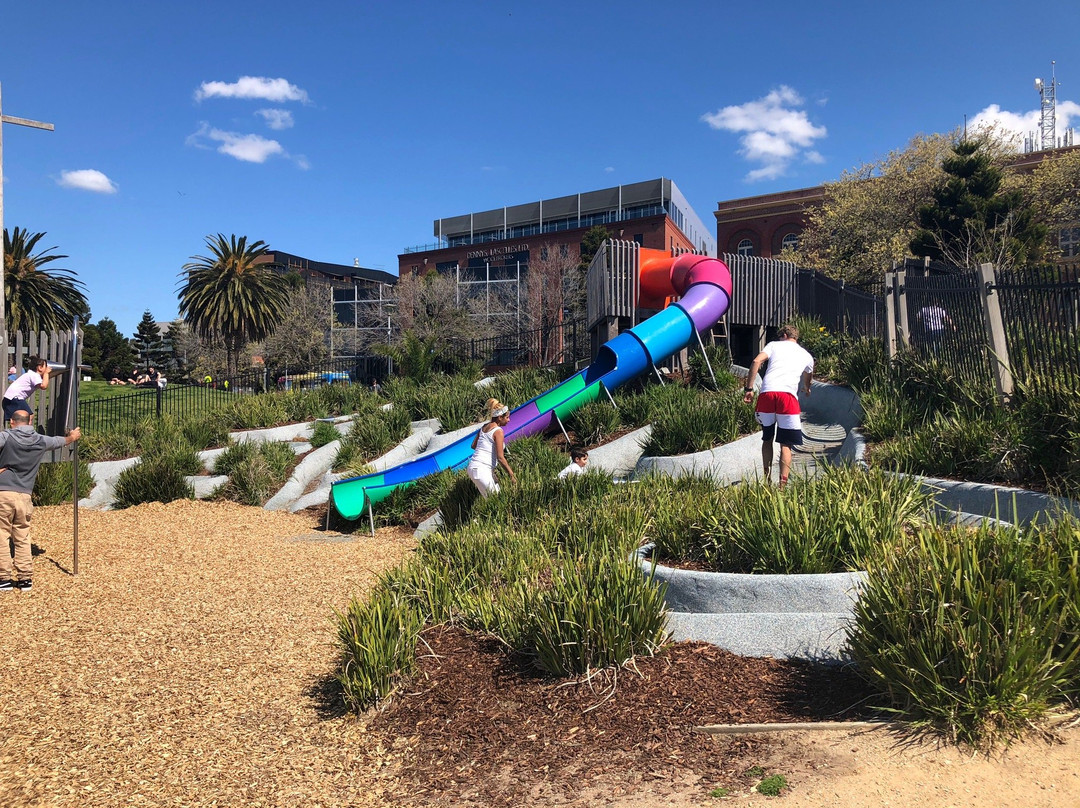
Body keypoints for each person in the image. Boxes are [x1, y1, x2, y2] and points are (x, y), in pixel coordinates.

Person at [0, 411, 81, 594]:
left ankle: (4, 578)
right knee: (22, 535)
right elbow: (61, 441)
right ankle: (25, 578)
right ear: (30, 421)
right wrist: (73, 436)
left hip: (3, 493)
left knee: (2, 536)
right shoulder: (40, 440)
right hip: (25, 495)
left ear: (12, 422)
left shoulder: (5, 436)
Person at [742, 324, 814, 488]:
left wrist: (749, 389)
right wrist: (807, 388)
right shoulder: (806, 355)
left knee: (767, 439)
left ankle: (767, 481)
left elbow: (756, 361)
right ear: (795, 338)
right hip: (788, 398)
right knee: (786, 445)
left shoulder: (774, 345)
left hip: (767, 395)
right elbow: (808, 375)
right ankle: (782, 486)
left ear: (783, 336)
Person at [467, 398, 516, 498]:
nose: (509, 420)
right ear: (499, 418)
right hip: (481, 469)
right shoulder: (498, 431)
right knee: (496, 501)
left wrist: (490, 471)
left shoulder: (484, 427)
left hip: (473, 468)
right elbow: (500, 457)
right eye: (507, 417)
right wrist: (512, 475)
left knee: (495, 498)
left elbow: (473, 446)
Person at [3, 356, 51, 424]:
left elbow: (43, 382)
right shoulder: (34, 375)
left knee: (16, 420)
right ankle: (25, 433)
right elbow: (44, 386)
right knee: (28, 416)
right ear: (40, 368)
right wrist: (46, 373)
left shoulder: (30, 374)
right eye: (46, 367)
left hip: (9, 398)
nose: (47, 369)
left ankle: (16, 432)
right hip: (16, 398)